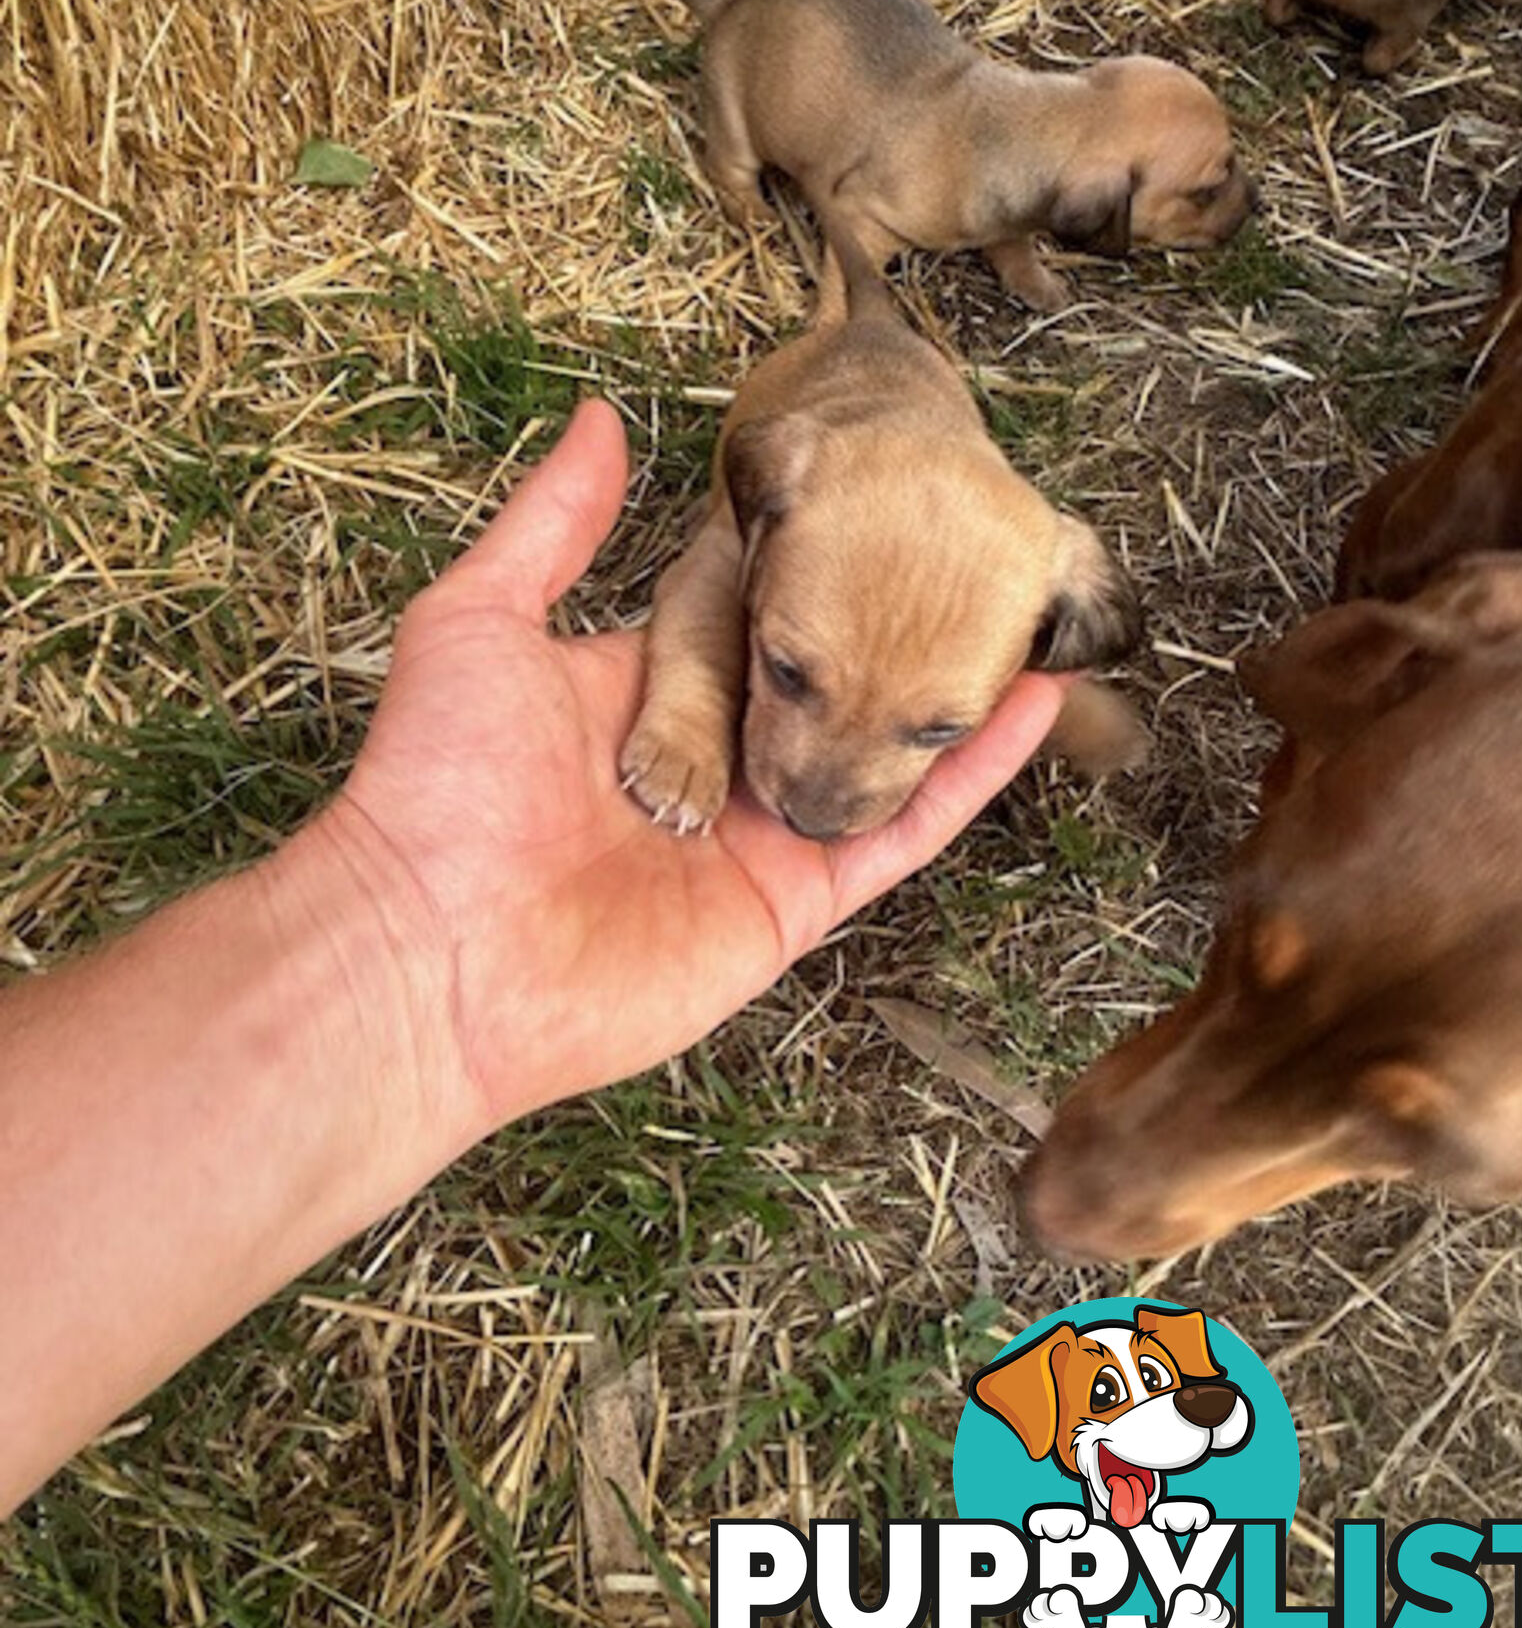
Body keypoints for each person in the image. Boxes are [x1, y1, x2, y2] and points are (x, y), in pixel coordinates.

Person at [0, 400, 1068, 1516]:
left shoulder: (1023, 578)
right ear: (761, 509)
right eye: (794, 676)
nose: (814, 794)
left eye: (934, 730)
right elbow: (709, 573)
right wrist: (699, 700)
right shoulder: (784, 467)